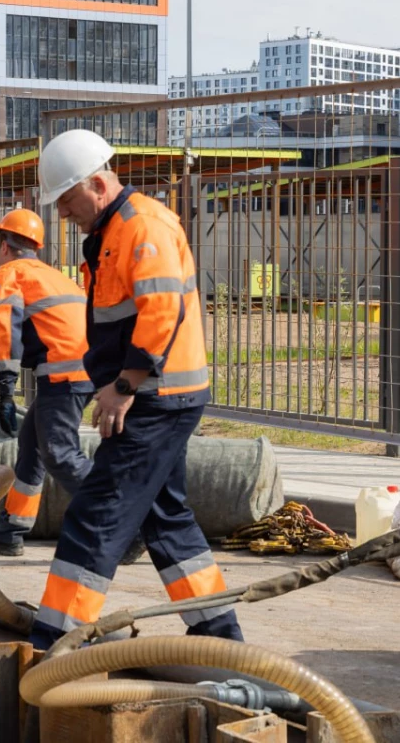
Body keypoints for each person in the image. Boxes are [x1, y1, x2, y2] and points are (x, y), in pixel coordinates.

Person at [29, 128, 243, 651]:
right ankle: (219, 637)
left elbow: (161, 312)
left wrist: (125, 385)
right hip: (158, 397)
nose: (61, 213)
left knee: (96, 515)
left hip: (156, 398)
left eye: (66, 199)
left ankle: (53, 641)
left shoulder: (141, 225)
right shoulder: (114, 231)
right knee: (166, 519)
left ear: (98, 184)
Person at [0, 208, 93, 558]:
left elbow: (6, 329)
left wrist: (5, 387)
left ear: (4, 244)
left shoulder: (10, 273)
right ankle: (12, 527)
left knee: (60, 455)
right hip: (87, 371)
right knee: (32, 443)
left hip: (64, 375)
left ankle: (121, 516)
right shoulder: (53, 275)